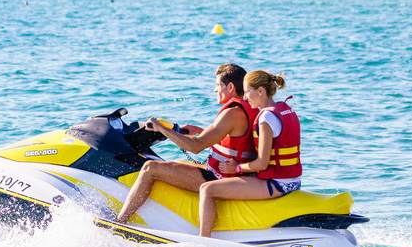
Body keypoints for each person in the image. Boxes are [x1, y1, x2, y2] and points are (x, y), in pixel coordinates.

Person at [116, 64, 259, 224]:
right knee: (176, 162)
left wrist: (161, 128)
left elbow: (195, 146)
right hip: (230, 170)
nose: (214, 90)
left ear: (230, 87)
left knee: (150, 168)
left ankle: (121, 221)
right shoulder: (249, 107)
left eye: (218, 85)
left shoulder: (232, 113)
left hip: (222, 176)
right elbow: (235, 139)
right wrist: (199, 130)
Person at [197, 70, 302, 237]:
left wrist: (236, 169)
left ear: (260, 91)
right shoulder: (285, 109)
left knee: (207, 189)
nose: (245, 98)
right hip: (293, 181)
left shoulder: (266, 118)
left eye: (247, 92)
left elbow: (261, 163)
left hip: (277, 184)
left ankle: (203, 242)